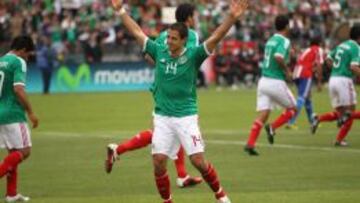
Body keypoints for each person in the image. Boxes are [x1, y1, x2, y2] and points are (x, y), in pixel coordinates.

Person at [109, 0, 248, 202]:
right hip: (163, 116)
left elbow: (216, 36)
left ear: (184, 40)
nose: (168, 41)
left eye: (173, 39)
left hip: (186, 116)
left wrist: (231, 18)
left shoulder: (194, 55)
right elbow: (138, 32)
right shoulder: (159, 50)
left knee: (199, 162)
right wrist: (120, 11)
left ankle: (221, 196)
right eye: (168, 37)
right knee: (158, 162)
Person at [105, 3, 203, 188]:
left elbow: (150, 56)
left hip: (162, 88)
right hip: (176, 92)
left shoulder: (165, 34)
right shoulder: (190, 36)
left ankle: (182, 175)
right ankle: (118, 149)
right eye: (194, 16)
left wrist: (165, 70)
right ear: (189, 17)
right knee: (173, 129)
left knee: (173, 131)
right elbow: (190, 60)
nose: (195, 19)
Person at [244, 15, 297, 156]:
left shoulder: (271, 40)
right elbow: (278, 57)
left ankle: (250, 143)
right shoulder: (285, 40)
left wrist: (290, 54)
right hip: (275, 82)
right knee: (293, 108)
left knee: (264, 114)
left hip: (263, 82)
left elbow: (276, 55)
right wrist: (288, 71)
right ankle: (273, 127)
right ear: (286, 26)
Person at [0, 36, 39, 202]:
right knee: (24, 151)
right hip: (13, 113)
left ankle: (11, 193)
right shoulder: (18, 62)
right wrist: (30, 111)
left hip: (1, 111)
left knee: (13, 153)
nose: (28, 58)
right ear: (22, 50)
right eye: (28, 54)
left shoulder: (1, 60)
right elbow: (18, 89)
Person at [311, 25, 360, 146]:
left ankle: (319, 119)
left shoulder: (342, 45)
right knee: (350, 112)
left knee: (341, 113)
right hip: (344, 80)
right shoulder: (356, 47)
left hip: (333, 80)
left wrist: (336, 69)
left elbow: (328, 59)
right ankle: (339, 138)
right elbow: (354, 67)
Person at [286, 36, 324, 129]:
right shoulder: (318, 49)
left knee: (307, 98)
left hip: (296, 72)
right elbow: (319, 65)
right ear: (319, 43)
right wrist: (319, 82)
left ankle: (312, 122)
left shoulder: (307, 50)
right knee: (302, 98)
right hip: (305, 74)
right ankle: (291, 121)